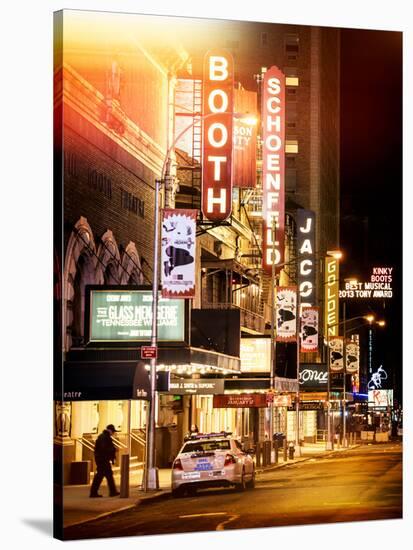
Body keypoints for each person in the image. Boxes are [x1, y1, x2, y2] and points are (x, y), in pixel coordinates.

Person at [90, 424, 120, 498]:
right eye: (112, 431)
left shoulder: (105, 436)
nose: (113, 433)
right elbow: (103, 449)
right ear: (109, 430)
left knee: (107, 475)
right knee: (100, 476)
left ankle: (112, 491)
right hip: (103, 459)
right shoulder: (104, 437)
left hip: (102, 459)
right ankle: (94, 493)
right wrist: (113, 449)